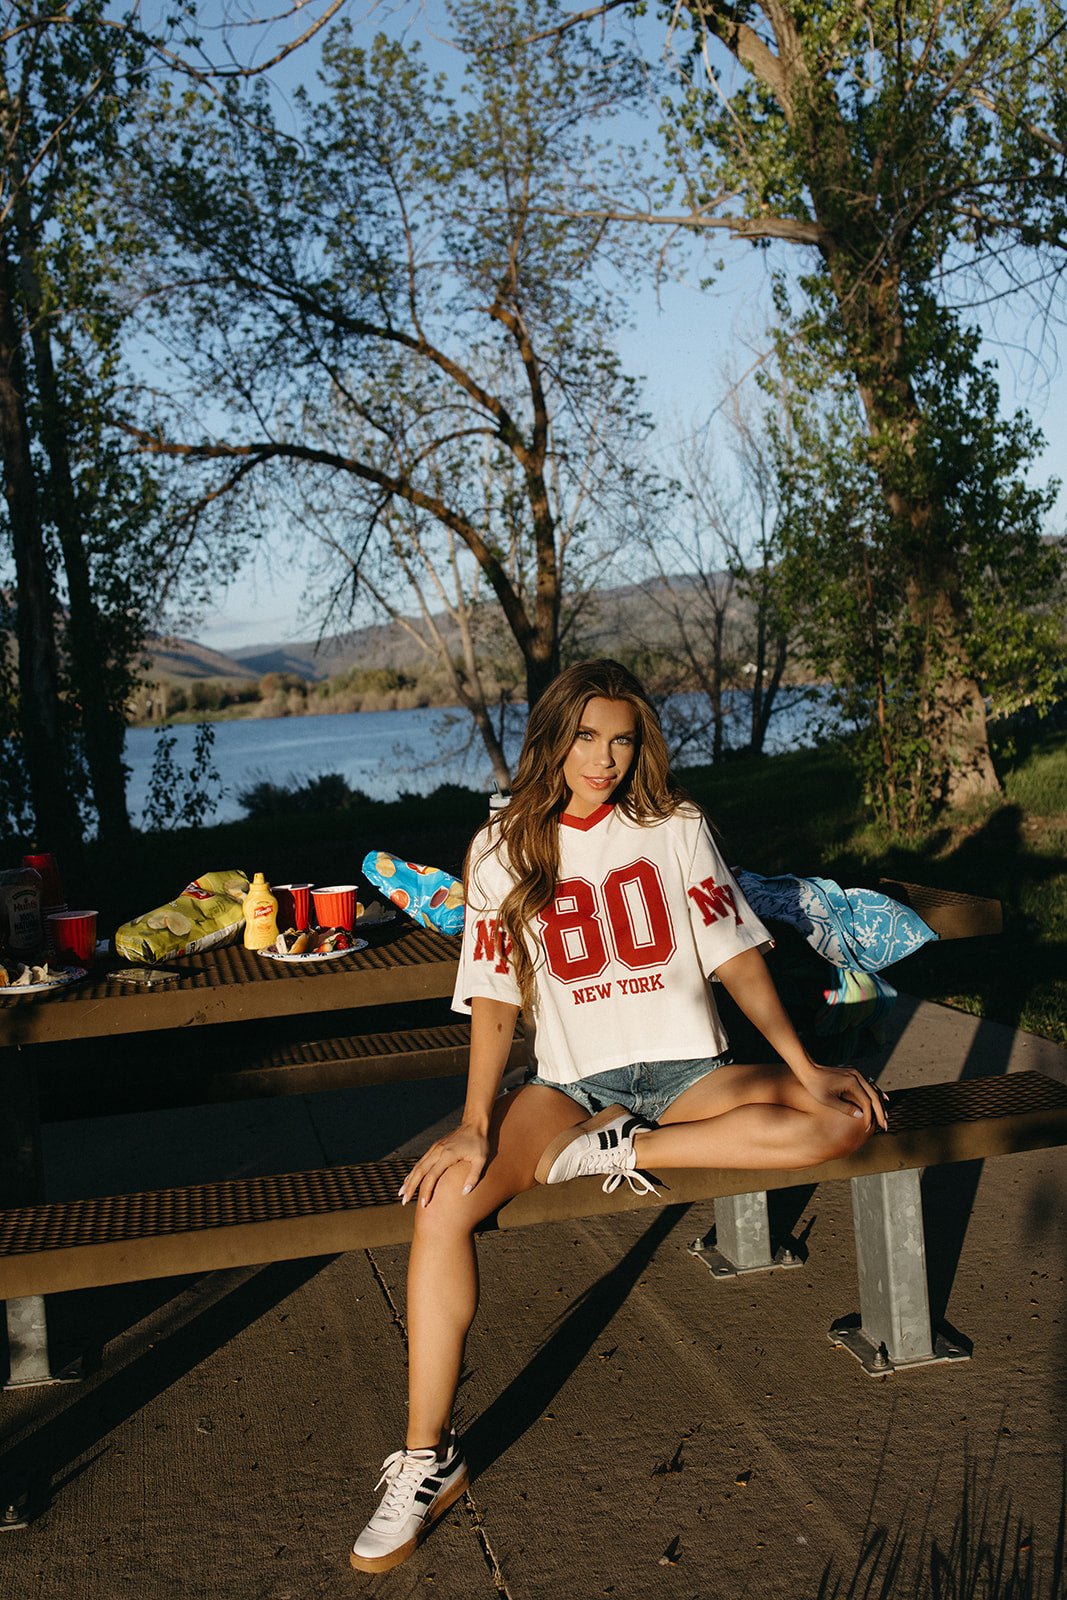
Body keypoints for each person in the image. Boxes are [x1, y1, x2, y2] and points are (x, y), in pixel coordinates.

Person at [350, 659, 888, 1574]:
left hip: (687, 1076)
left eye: (622, 739)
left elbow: (735, 959)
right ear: (554, 736)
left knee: (841, 1120)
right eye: (586, 737)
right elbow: (491, 1001)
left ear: (641, 743)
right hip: (569, 1088)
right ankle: (426, 1460)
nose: (603, 758)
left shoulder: (675, 826)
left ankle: (625, 1149)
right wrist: (476, 1122)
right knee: (444, 1203)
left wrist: (804, 1063)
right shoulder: (500, 848)